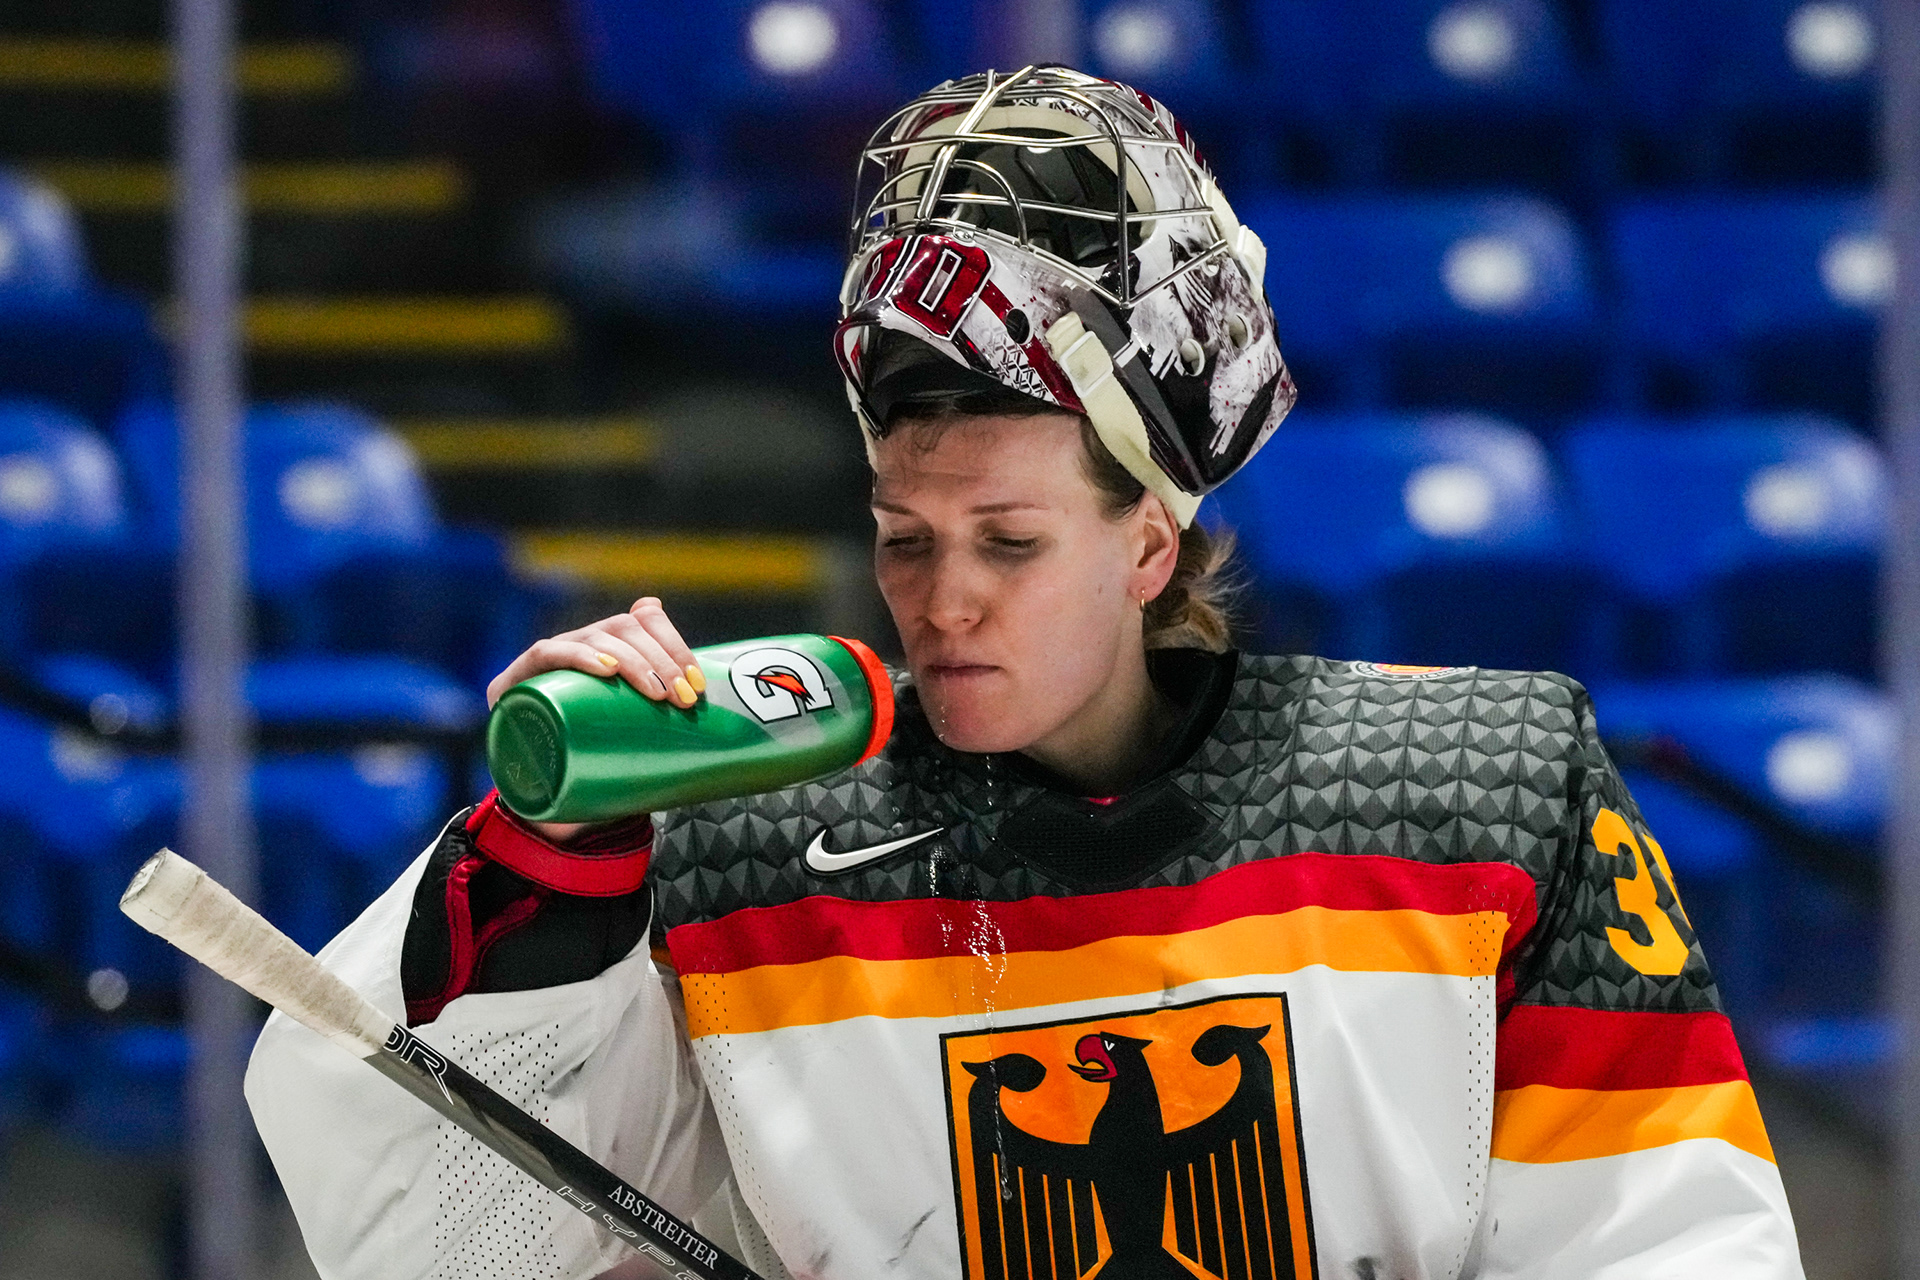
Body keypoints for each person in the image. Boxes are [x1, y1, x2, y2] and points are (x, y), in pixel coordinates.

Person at [246, 66, 1802, 1280]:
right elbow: (431, 1232)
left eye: (1009, 540)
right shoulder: (741, 838)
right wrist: (550, 876)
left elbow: (1669, 1239)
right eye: (903, 535)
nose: (943, 600)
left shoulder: (1481, 797)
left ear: (1152, 541)